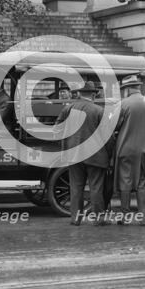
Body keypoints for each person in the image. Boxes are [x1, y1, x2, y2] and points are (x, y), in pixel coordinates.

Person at [55, 81, 112, 226]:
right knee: (96, 188)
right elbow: (109, 137)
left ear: (79, 93)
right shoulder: (99, 111)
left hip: (74, 155)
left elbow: (57, 130)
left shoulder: (68, 109)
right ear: (93, 94)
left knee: (76, 188)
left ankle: (76, 218)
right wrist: (110, 154)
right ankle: (98, 218)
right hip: (96, 156)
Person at [113, 75, 145, 225]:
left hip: (126, 148)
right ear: (139, 87)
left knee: (125, 181)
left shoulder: (122, 104)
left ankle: (125, 216)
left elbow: (114, 126)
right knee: (142, 183)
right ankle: (143, 217)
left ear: (127, 89)